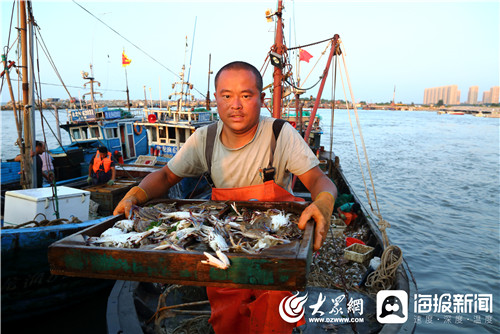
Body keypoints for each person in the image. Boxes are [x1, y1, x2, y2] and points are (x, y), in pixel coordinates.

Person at [114, 61, 337, 334]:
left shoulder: (280, 134)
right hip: (224, 245)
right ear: (215, 99)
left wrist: (324, 201)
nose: (236, 105)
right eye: (226, 95)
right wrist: (135, 194)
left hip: (275, 249)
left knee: (274, 317)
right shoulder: (203, 139)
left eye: (246, 95)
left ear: (261, 99)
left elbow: (317, 179)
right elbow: (165, 176)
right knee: (227, 318)